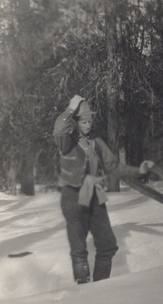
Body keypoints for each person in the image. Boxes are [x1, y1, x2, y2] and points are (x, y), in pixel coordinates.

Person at [54, 95, 154, 284]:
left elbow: (115, 167)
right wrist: (70, 109)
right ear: (75, 123)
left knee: (107, 245)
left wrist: (139, 171)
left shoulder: (96, 143)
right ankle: (83, 292)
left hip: (94, 195)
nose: (87, 125)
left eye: (89, 121)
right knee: (79, 249)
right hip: (72, 196)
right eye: (83, 121)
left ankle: (101, 290)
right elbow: (59, 129)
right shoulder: (66, 142)